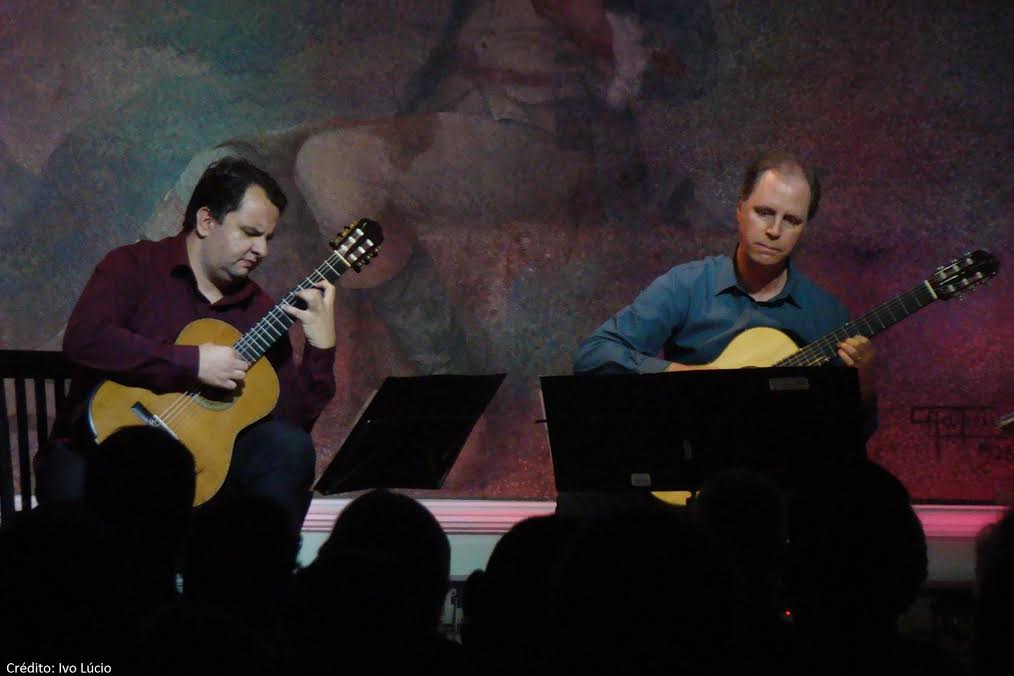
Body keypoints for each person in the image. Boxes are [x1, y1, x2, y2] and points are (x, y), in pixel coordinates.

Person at [37, 157, 337, 529]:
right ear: (206, 221)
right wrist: (191, 363)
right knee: (69, 487)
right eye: (249, 232)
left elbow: (291, 424)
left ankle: (258, 581)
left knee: (288, 448)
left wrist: (321, 349)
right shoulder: (134, 266)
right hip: (101, 453)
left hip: (203, 477)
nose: (262, 250)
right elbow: (86, 338)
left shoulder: (260, 312)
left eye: (268, 238)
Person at [572, 150, 877, 407]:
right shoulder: (686, 287)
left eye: (792, 220)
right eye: (764, 212)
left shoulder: (826, 314)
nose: (774, 230)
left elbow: (848, 437)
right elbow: (593, 355)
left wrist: (863, 384)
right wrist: (682, 374)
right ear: (740, 211)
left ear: (805, 228)